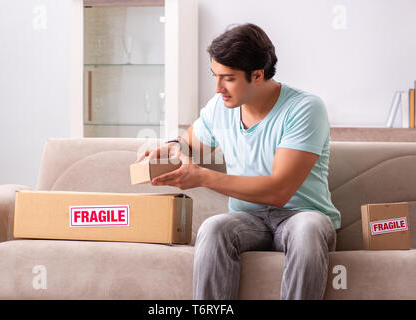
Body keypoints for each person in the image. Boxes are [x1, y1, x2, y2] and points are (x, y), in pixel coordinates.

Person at [136, 23, 340, 300]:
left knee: (307, 229)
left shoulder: (304, 108)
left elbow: (278, 192)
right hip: (249, 220)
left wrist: (203, 177)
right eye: (215, 76)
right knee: (214, 227)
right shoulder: (219, 108)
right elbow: (189, 143)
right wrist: (171, 148)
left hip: (300, 215)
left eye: (228, 78)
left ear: (257, 75)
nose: (218, 88)